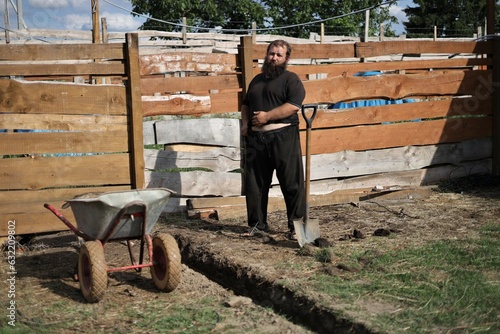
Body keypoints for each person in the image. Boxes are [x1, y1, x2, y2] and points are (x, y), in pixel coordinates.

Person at [240, 39, 306, 240]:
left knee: (291, 183)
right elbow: (245, 105)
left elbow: (293, 105)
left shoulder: (291, 79)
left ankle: (297, 228)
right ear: (266, 55)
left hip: (283, 136)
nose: (274, 58)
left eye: (279, 54)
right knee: (255, 185)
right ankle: (257, 226)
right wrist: (245, 125)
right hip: (256, 139)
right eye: (271, 53)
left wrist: (266, 117)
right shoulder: (256, 81)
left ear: (286, 58)